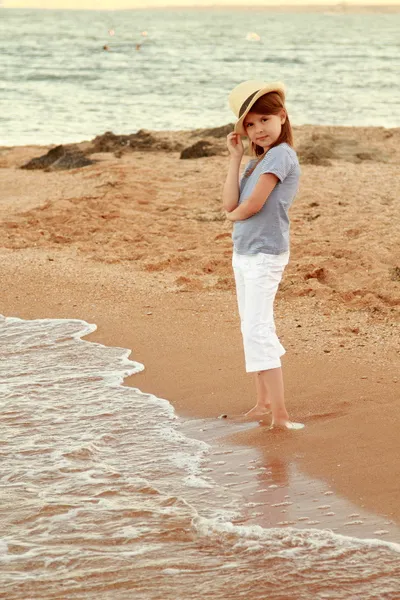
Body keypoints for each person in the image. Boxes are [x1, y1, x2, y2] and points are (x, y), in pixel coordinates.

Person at [222, 79, 304, 430]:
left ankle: (280, 415)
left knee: (258, 329)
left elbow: (249, 205)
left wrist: (231, 216)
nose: (258, 129)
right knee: (250, 327)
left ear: (282, 117)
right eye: (250, 125)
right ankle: (262, 403)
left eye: (264, 120)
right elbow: (231, 200)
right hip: (245, 253)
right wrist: (236, 158)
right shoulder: (258, 162)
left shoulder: (282, 155)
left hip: (265, 254)